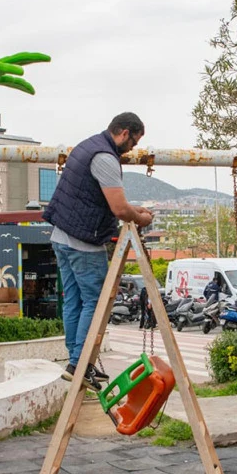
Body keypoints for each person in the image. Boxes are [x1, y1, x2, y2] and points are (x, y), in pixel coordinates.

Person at [43, 112, 154, 390]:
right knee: (96, 302)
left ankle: (76, 362)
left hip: (62, 236)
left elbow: (98, 197)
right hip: (83, 241)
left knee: (74, 301)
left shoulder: (87, 146)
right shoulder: (105, 158)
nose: (132, 148)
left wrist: (133, 208)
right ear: (125, 133)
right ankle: (80, 364)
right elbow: (119, 209)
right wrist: (140, 218)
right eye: (134, 142)